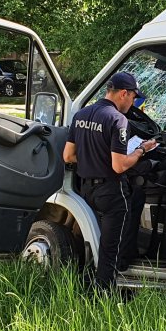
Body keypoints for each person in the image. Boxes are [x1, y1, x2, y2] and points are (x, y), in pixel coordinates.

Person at [63, 72, 158, 293]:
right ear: (124, 93)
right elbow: (119, 166)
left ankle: (83, 285)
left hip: (87, 190)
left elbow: (68, 156)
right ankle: (103, 295)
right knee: (111, 248)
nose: (134, 102)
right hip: (112, 191)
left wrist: (92, 158)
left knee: (92, 238)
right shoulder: (117, 120)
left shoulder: (81, 115)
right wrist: (141, 150)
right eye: (134, 98)